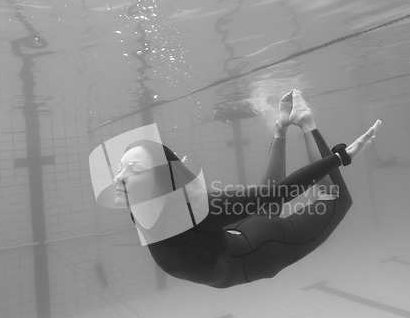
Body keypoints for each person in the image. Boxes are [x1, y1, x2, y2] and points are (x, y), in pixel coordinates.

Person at [113, 90, 381, 288]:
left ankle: (304, 122)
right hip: (239, 236)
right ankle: (282, 126)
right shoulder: (139, 206)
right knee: (266, 205)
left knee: (334, 198)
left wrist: (340, 158)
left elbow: (277, 193)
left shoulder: (192, 210)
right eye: (121, 168)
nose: (118, 178)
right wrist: (171, 178)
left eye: (132, 169)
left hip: (260, 251)